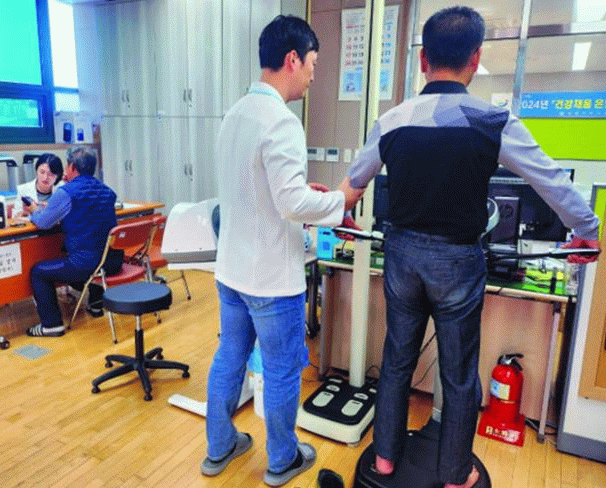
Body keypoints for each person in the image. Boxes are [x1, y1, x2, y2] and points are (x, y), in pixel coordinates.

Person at [337, 6, 601, 488]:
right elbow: (549, 179)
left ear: (423, 60)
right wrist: (587, 227)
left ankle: (385, 461)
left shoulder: (391, 120)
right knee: (458, 376)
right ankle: (456, 475)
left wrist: (340, 213)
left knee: (395, 363)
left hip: (401, 257)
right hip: (457, 262)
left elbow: (351, 186)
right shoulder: (492, 120)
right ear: (475, 59)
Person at [200, 15, 359, 487]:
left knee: (229, 358)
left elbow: (257, 189)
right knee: (283, 369)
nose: (312, 75)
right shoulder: (282, 122)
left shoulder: (235, 115)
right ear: (292, 59)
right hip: (271, 278)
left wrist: (302, 195)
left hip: (232, 271)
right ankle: (283, 459)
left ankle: (219, 446)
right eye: (312, 64)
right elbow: (290, 204)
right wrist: (341, 200)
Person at [25, 146, 122, 337]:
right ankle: (96, 304)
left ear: (72, 167)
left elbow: (43, 222)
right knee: (92, 249)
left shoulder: (66, 192)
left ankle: (51, 325)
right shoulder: (107, 191)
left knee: (38, 272)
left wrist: (34, 210)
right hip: (111, 261)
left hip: (85, 264)